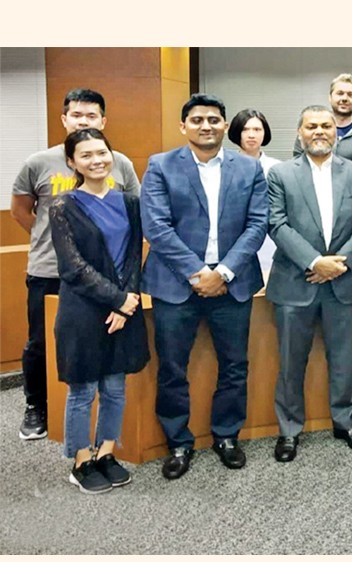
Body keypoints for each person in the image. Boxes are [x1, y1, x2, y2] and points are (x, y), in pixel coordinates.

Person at [141, 93, 268, 480]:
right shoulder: (161, 166)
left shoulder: (248, 169)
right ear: (184, 126)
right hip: (176, 285)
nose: (206, 126)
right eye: (197, 120)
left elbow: (257, 224)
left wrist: (224, 272)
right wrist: (199, 274)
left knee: (234, 366)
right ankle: (178, 441)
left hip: (233, 283)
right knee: (173, 368)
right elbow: (157, 228)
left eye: (214, 119)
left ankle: (227, 436)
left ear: (224, 125)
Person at [11, 88, 140, 441]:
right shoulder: (39, 162)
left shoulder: (120, 163)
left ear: (103, 121)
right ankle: (36, 406)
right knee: (41, 342)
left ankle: (102, 436)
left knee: (104, 351)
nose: (83, 120)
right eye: (77, 115)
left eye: (91, 116)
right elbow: (22, 210)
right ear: (64, 118)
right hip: (50, 270)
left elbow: (135, 219)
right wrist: (53, 238)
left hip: (109, 280)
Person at [267, 105, 352, 461]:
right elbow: (277, 223)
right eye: (311, 126)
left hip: (342, 284)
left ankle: (345, 422)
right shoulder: (281, 174)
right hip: (294, 282)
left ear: (336, 132)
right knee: (290, 361)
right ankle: (288, 430)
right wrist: (316, 262)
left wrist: (337, 265)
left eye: (326, 126)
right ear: (300, 132)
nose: (319, 131)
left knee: (344, 359)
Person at [49, 128, 149, 494]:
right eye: (86, 155)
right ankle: (80, 461)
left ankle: (107, 452)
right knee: (83, 390)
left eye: (102, 153)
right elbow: (72, 267)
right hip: (83, 309)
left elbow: (135, 255)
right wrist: (116, 299)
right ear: (73, 162)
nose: (97, 161)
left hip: (123, 307)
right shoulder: (62, 206)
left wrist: (129, 300)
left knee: (115, 388)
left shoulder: (129, 201)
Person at [228, 108, 280, 277]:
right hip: (233, 241)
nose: (251, 135)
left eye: (257, 130)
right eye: (245, 129)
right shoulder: (224, 167)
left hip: (270, 243)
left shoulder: (278, 168)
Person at [292, 73, 352, 165]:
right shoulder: (311, 129)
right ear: (330, 97)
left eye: (350, 94)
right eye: (340, 93)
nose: (344, 98)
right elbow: (297, 162)